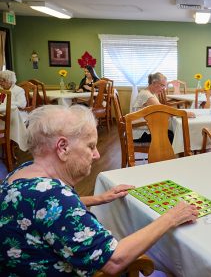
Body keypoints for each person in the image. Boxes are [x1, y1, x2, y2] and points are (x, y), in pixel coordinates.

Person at [0, 105, 198, 276]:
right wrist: (171, 216)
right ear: (62, 147)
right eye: (91, 146)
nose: (97, 154)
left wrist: (99, 198)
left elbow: (41, 212)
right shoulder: (57, 197)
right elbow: (114, 261)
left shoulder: (20, 174)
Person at [132, 72, 194, 142]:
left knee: (172, 133)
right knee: (172, 137)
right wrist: (184, 113)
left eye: (164, 86)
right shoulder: (147, 95)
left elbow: (162, 109)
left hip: (145, 128)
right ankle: (162, 153)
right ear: (154, 83)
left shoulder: (149, 93)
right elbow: (163, 110)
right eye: (162, 85)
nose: (163, 89)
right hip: (140, 133)